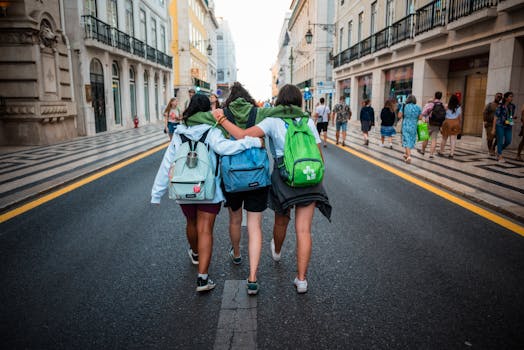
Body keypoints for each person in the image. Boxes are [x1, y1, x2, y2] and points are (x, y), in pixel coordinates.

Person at [212, 84, 332, 294]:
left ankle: (276, 251)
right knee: (304, 230)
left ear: (279, 102)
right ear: (299, 102)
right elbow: (319, 156)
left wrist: (221, 119)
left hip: (285, 178)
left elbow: (242, 135)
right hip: (310, 177)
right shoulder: (308, 121)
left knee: (281, 220)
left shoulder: (273, 121)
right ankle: (301, 280)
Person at [151, 94, 263, 293]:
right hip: (208, 189)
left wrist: (156, 193)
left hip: (183, 187)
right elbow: (228, 148)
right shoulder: (212, 131)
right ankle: (202, 279)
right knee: (205, 229)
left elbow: (168, 162)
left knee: (191, 223)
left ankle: (195, 252)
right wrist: (253, 142)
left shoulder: (179, 132)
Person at [221, 82, 271, 295]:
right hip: (257, 176)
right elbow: (263, 139)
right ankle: (252, 277)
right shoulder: (259, 113)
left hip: (232, 177)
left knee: (234, 219)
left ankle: (237, 254)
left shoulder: (222, 114)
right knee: (255, 226)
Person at [492, 91, 516, 163]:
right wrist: (493, 128)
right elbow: (495, 117)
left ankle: (498, 150)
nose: (511, 98)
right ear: (506, 98)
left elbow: (510, 115)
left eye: (512, 97)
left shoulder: (512, 106)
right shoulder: (500, 106)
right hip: (500, 125)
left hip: (508, 125)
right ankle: (500, 156)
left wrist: (512, 119)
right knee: (500, 140)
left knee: (508, 141)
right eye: (510, 96)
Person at [419, 91, 444, 158]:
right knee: (434, 139)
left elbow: (423, 113)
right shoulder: (442, 105)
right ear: (441, 97)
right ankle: (431, 154)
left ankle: (423, 151)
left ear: (435, 96)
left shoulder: (431, 104)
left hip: (429, 123)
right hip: (437, 124)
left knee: (425, 138)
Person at [398, 94, 422, 163]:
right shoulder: (418, 107)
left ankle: (409, 157)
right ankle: (406, 154)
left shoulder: (404, 106)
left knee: (406, 140)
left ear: (407, 100)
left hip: (406, 126)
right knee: (410, 140)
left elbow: (399, 116)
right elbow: (420, 118)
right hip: (414, 126)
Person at [439, 94, 462, 159]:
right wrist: (460, 124)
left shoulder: (446, 106)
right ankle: (451, 154)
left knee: (444, 138)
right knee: (453, 139)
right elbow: (460, 117)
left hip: (447, 122)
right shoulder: (459, 107)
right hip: (455, 123)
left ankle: (441, 151)